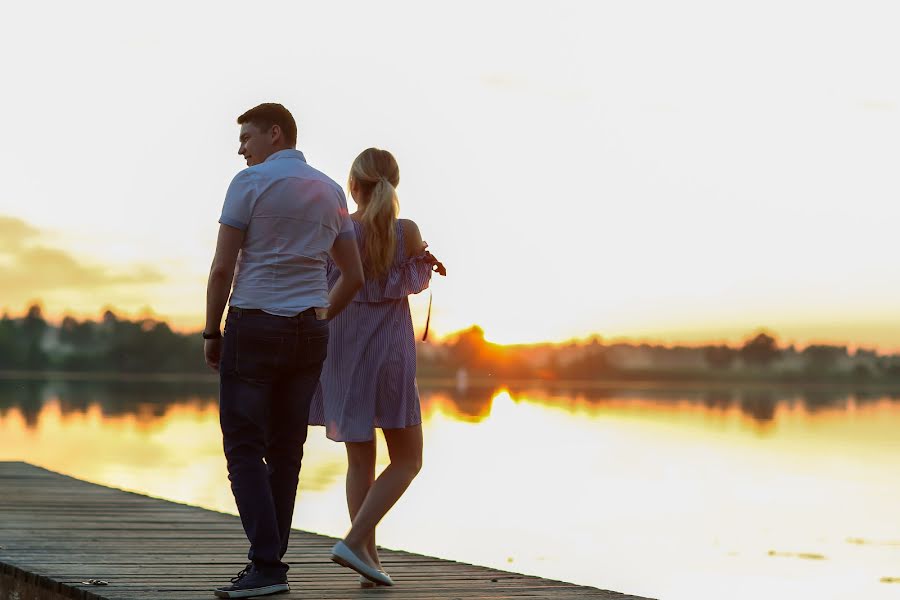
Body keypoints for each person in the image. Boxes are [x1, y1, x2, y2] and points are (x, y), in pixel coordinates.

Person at [203, 103, 364, 599]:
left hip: (254, 326)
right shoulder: (330, 190)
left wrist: (212, 331)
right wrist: (319, 317)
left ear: (275, 133)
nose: (240, 148)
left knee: (244, 446)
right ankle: (270, 565)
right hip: (308, 332)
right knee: (287, 449)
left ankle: (267, 565)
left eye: (247, 137)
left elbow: (221, 269)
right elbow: (353, 275)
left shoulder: (248, 185)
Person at [308, 147, 445, 587]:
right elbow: (418, 276)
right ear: (394, 183)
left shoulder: (339, 227)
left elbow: (320, 284)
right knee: (408, 459)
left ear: (353, 185)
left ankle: (367, 559)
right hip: (388, 354)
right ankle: (354, 542)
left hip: (341, 351)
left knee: (359, 459)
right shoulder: (405, 230)